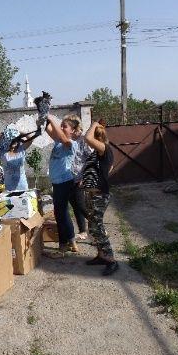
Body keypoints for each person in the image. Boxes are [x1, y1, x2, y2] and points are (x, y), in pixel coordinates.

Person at [83, 121, 118, 275]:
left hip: (100, 195)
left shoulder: (104, 148)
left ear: (97, 138)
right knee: (92, 227)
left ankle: (111, 259)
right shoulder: (99, 153)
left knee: (97, 227)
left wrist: (94, 123)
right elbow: (109, 167)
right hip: (92, 193)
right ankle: (101, 255)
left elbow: (87, 138)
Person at [44, 114, 80, 255]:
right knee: (63, 213)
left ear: (72, 131)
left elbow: (63, 138)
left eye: (64, 126)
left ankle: (62, 247)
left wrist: (53, 119)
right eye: (61, 126)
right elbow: (49, 130)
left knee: (60, 215)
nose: (61, 128)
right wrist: (43, 118)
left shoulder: (71, 143)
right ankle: (72, 242)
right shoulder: (58, 142)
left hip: (64, 182)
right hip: (58, 182)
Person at [0, 127, 36, 191]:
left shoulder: (21, 149)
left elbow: (31, 140)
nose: (15, 141)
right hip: (9, 186)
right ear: (7, 141)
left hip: (22, 184)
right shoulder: (2, 153)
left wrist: (19, 132)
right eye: (12, 140)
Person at [68, 114, 93, 241]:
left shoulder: (83, 140)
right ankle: (83, 231)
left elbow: (91, 159)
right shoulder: (71, 140)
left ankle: (98, 228)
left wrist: (84, 177)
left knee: (81, 205)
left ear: (76, 127)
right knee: (75, 205)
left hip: (80, 179)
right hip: (70, 178)